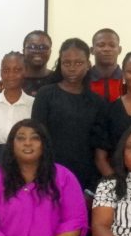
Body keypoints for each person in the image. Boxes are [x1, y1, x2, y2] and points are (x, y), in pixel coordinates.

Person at [32, 38, 106, 193]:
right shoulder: (46, 95)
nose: (72, 68)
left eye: (78, 63)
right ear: (60, 64)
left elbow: (98, 149)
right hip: (50, 175)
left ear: (88, 64)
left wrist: (93, 186)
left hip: (85, 178)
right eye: (67, 63)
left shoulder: (97, 102)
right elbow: (37, 138)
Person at [0, 52, 34, 170]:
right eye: (6, 70)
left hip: (26, 165)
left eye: (17, 70)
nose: (11, 75)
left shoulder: (33, 105)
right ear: (1, 73)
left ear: (25, 72)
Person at [21, 30, 61, 96]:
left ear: (50, 52)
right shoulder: (13, 79)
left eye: (43, 47)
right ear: (23, 51)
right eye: (32, 47)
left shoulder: (59, 80)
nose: (37, 51)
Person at [89, 28, 124, 102]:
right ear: (92, 50)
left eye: (112, 45)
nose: (107, 49)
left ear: (119, 50)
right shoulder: (82, 81)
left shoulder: (128, 80)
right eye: (101, 45)